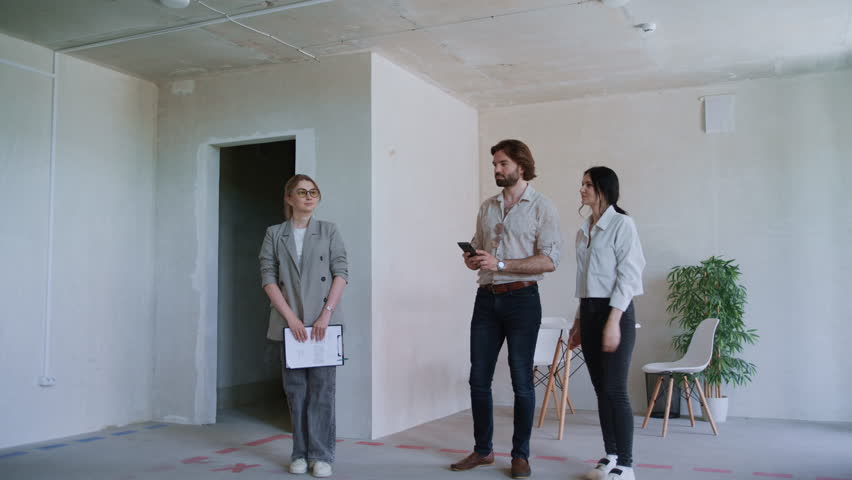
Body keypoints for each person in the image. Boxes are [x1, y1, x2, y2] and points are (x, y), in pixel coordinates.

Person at [451, 139, 561, 479]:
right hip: (486, 298)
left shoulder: (543, 207)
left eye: (502, 164)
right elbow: (481, 249)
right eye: (494, 165)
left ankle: (520, 455)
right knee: (478, 379)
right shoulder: (487, 207)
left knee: (521, 381)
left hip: (523, 300)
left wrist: (499, 262)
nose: (497, 170)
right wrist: (474, 259)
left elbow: (550, 260)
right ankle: (483, 451)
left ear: (521, 166)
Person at [258, 174, 348, 478]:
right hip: (289, 322)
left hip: (324, 323)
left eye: (313, 192)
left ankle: (322, 455)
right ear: (289, 198)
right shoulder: (275, 233)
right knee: (296, 391)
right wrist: (291, 319)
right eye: (301, 192)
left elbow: (341, 273)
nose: (308, 197)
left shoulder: (329, 230)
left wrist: (325, 314)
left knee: (323, 391)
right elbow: (268, 278)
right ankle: (299, 452)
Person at [568, 167, 645, 480]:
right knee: (601, 391)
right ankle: (610, 455)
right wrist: (577, 322)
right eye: (582, 183)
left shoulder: (622, 224)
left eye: (588, 184)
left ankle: (626, 464)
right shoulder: (583, 230)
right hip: (588, 312)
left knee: (616, 390)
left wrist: (613, 321)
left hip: (616, 313)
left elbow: (629, 276)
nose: (582, 189)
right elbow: (584, 281)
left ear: (604, 188)